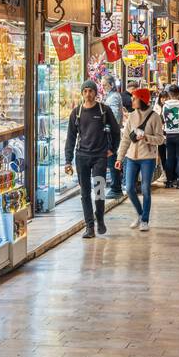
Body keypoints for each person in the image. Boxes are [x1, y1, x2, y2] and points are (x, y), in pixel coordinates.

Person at [64, 81, 121, 239]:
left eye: (91, 91)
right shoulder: (77, 112)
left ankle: (100, 219)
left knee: (99, 190)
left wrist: (112, 149)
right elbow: (70, 138)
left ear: (96, 93)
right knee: (84, 193)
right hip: (82, 156)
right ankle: (90, 226)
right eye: (85, 91)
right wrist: (67, 160)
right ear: (82, 93)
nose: (88, 94)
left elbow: (116, 132)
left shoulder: (104, 110)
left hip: (99, 157)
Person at [116, 88, 165, 231]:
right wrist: (120, 158)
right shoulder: (131, 116)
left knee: (145, 189)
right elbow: (126, 139)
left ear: (142, 99)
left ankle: (145, 220)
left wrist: (146, 137)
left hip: (147, 158)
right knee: (129, 188)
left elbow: (161, 139)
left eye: (134, 98)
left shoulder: (155, 117)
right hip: (131, 157)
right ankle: (139, 213)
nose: (132, 100)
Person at [101, 75, 124, 198]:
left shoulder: (114, 97)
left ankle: (116, 188)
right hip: (109, 132)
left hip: (111, 133)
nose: (103, 87)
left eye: (105, 84)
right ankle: (115, 186)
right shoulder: (110, 96)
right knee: (110, 159)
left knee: (111, 158)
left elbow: (114, 116)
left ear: (111, 84)